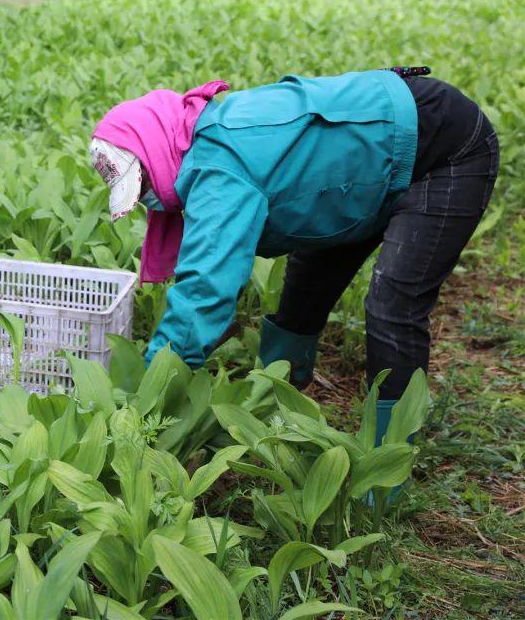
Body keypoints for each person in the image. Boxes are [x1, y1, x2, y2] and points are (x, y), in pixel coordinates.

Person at [90, 68, 498, 443]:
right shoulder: (199, 135)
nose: (146, 199)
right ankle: (274, 403)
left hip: (444, 147)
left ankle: (387, 457)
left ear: (155, 148)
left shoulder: (221, 170)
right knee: (307, 279)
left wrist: (145, 395)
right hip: (367, 168)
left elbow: (204, 296)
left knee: (393, 305)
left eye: (141, 181)